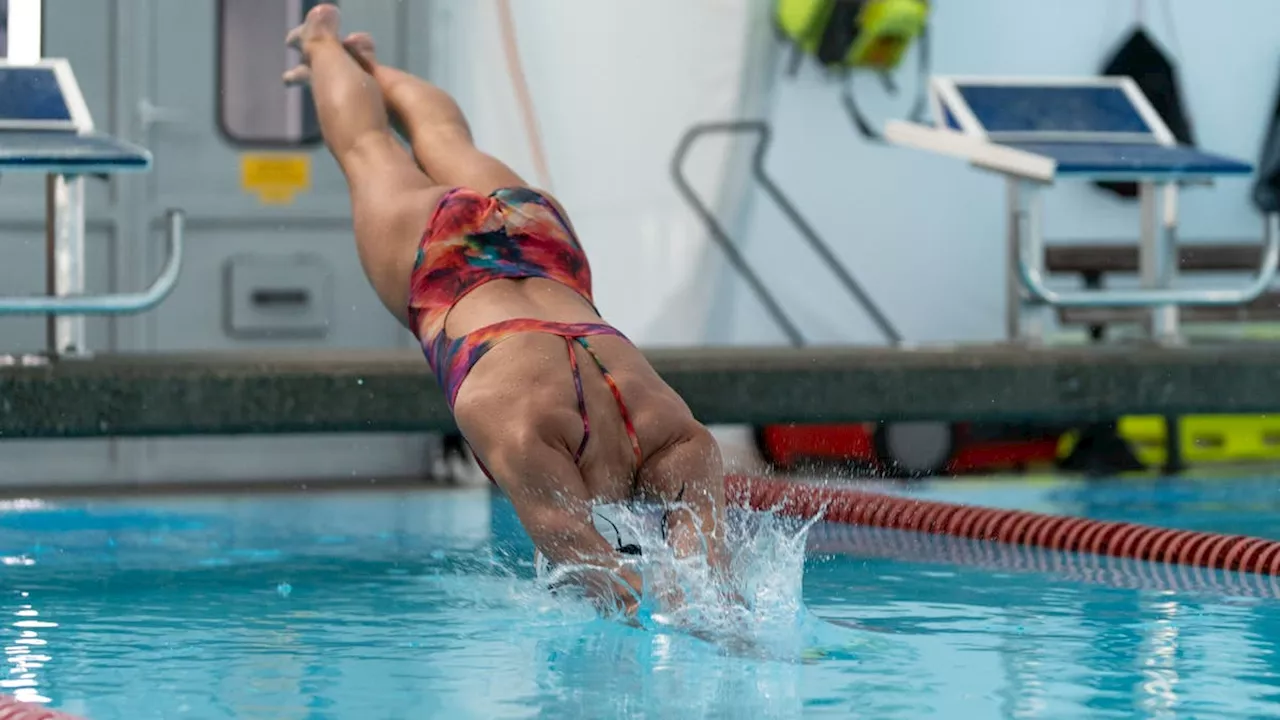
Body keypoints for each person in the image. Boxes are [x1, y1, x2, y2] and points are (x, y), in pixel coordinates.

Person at [283, 4, 730, 616]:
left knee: (428, 142)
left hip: (544, 246)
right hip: (441, 271)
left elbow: (648, 587)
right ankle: (323, 44)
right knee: (368, 147)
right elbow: (652, 592)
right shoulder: (535, 434)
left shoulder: (677, 436)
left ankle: (357, 63)